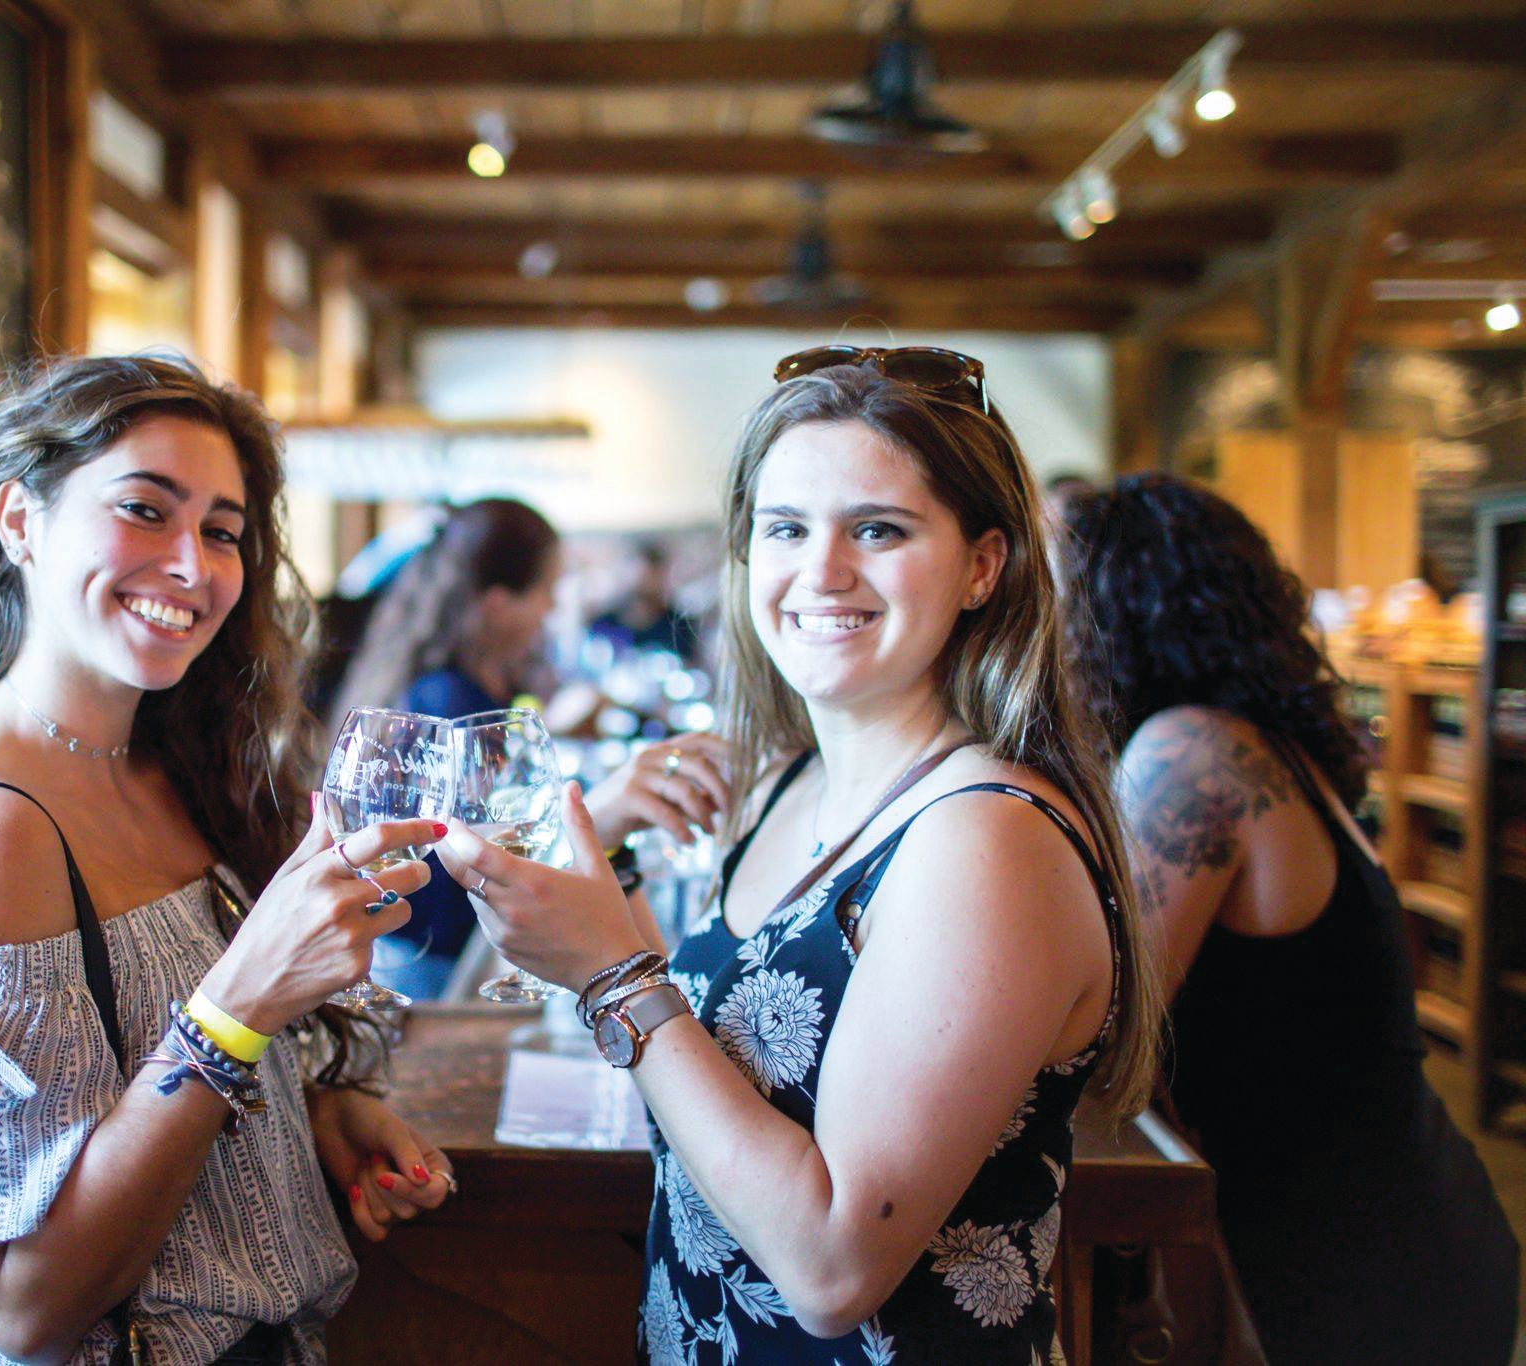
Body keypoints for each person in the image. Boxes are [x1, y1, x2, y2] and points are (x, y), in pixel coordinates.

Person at [437, 346, 1161, 1361]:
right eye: (784, 528)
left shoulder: (987, 838)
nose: (820, 573)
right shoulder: (789, 785)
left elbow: (832, 1268)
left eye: (878, 529)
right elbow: (704, 1067)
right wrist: (604, 846)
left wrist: (614, 975)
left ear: (981, 565)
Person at [0, 355, 454, 1365]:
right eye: (145, 510)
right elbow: (28, 1303)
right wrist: (242, 1003)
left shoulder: (164, 764)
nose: (191, 565)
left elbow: (158, 1082)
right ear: (19, 520)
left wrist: (309, 1106)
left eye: (222, 532)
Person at [1056, 473, 1517, 1362]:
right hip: (1395, 1230)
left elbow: (1100, 1018)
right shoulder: (1246, 742)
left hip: (1364, 1265)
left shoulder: (1197, 754)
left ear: (1114, 607)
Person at [330, 498, 732, 998]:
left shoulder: (468, 684)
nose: (551, 610)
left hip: (453, 947)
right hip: (431, 960)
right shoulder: (447, 702)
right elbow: (476, 838)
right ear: (499, 604)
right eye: (547, 592)